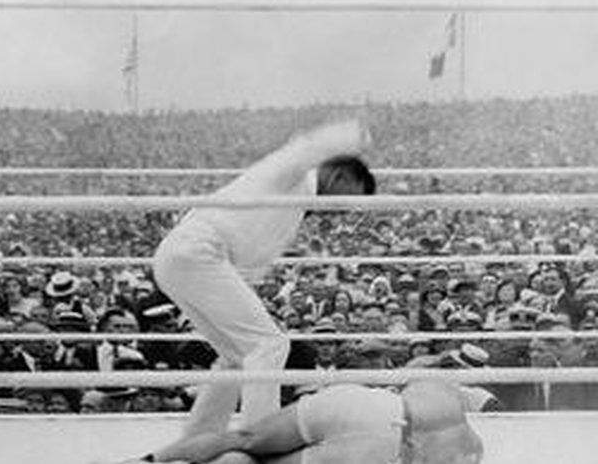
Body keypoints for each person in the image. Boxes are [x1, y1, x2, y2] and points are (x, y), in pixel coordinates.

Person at [152, 120, 375, 437]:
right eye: (349, 199)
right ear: (340, 177)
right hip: (199, 252)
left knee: (236, 357)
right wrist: (354, 135)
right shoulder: (294, 177)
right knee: (269, 345)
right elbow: (305, 148)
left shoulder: (294, 207)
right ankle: (259, 441)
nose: (344, 212)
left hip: (184, 257)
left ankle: (199, 439)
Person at [124, 381, 483, 464]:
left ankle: (151, 460)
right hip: (382, 451)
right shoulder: (469, 452)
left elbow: (401, 387)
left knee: (244, 438)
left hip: (365, 404)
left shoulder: (439, 391)